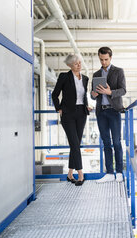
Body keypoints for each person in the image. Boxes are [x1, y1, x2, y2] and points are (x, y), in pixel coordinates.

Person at [52, 54, 91, 186]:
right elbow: (55, 94)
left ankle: (69, 174)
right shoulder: (64, 76)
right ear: (69, 65)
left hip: (81, 113)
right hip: (68, 114)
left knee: (76, 145)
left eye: (79, 63)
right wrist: (58, 108)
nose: (79, 65)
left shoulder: (85, 78)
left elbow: (83, 95)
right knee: (74, 144)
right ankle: (80, 175)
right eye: (75, 64)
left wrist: (87, 105)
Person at [91, 47, 126, 183]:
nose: (104, 62)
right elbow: (92, 95)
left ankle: (119, 172)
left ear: (110, 58)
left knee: (116, 142)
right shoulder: (96, 74)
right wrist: (93, 95)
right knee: (106, 142)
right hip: (101, 112)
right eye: (101, 59)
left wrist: (110, 92)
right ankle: (110, 173)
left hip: (114, 110)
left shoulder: (118, 71)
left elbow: (123, 90)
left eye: (106, 59)